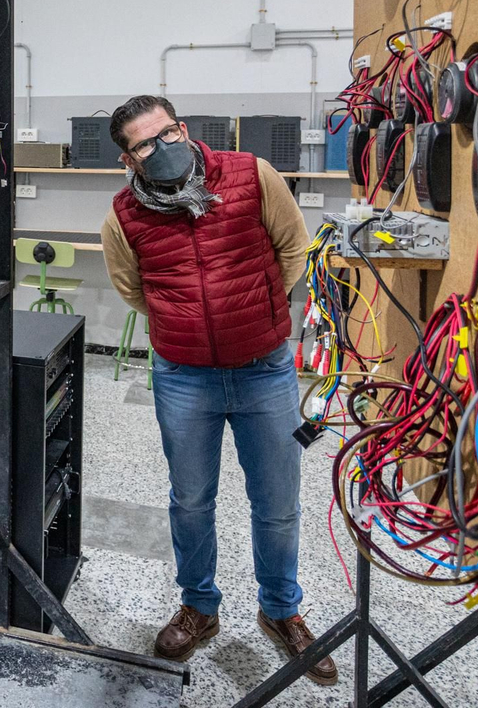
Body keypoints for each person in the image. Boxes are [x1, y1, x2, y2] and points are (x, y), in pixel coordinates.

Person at [99, 94, 336, 685]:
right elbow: (134, 289)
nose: (164, 148)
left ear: (183, 128)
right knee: (190, 501)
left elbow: (292, 250)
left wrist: (254, 311)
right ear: (129, 161)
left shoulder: (253, 175)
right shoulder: (123, 215)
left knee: (278, 504)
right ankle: (200, 608)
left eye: (169, 133)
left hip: (265, 370)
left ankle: (281, 610)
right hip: (184, 378)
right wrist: (185, 322)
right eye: (145, 144)